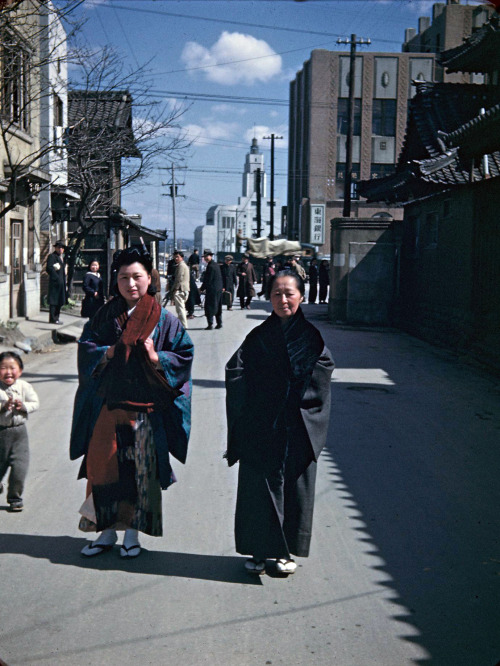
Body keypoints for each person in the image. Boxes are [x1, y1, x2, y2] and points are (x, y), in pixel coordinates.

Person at [70, 246, 193, 559]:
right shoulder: (105, 315)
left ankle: (133, 535)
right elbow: (87, 348)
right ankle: (106, 532)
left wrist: (157, 357)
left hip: (145, 410)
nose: (130, 283)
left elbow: (184, 355)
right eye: (123, 277)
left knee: (140, 472)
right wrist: (106, 353)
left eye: (137, 276)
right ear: (117, 280)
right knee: (104, 469)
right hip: (109, 407)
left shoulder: (165, 319)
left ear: (149, 277)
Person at [225, 270, 334, 576]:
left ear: (301, 296)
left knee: (294, 492)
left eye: (289, 294)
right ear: (269, 297)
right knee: (258, 491)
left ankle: (286, 552)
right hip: (262, 426)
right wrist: (258, 398)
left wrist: (291, 392)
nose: (283, 300)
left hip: (297, 427)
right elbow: (236, 369)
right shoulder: (258, 336)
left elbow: (323, 371)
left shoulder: (312, 339)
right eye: (276, 294)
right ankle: (259, 552)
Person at [0, 351, 39, 512]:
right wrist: (3, 407)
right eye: (3, 368)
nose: (8, 372)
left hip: (19, 434)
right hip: (1, 433)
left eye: (12, 367)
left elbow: (35, 403)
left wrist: (23, 406)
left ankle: (15, 498)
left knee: (20, 468)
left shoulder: (24, 386)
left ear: (20, 370)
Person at [200, 249, 223, 330]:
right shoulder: (216, 265)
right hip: (218, 289)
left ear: (211, 256)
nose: (206, 258)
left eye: (207, 256)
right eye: (205, 256)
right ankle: (219, 323)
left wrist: (202, 289)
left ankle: (210, 324)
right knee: (218, 307)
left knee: (209, 307)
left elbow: (207, 279)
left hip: (212, 290)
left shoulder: (210, 266)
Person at [168, 250, 190, 329]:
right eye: (175, 257)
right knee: (181, 308)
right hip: (184, 289)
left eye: (177, 257)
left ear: (182, 257)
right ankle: (182, 324)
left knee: (180, 309)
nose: (176, 258)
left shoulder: (181, 266)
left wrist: (175, 289)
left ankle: (183, 326)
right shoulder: (183, 265)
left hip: (180, 289)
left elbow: (179, 279)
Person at [46, 240, 66, 324]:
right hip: (55, 283)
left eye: (62, 248)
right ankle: (53, 319)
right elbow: (49, 268)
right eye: (59, 247)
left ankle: (57, 318)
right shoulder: (52, 256)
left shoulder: (61, 257)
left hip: (61, 283)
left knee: (59, 301)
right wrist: (56, 278)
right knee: (54, 301)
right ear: (56, 248)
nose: (60, 249)